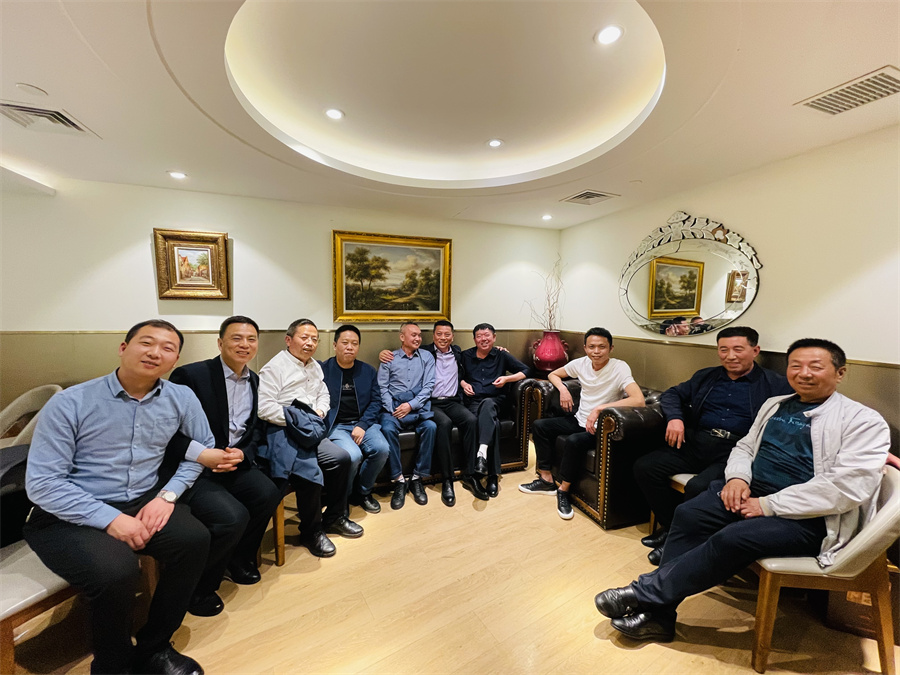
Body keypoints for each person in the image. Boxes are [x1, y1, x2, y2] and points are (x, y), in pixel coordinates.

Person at [594, 339, 890, 643]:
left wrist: (768, 504)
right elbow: (745, 447)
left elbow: (846, 488)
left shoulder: (863, 421)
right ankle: (660, 617)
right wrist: (737, 478)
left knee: (733, 536)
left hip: (809, 517)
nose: (804, 373)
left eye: (815, 367)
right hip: (750, 491)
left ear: (840, 373)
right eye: (796, 365)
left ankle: (644, 594)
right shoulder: (775, 404)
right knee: (690, 513)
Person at [24, 320, 217, 675]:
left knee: (194, 540)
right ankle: (112, 664)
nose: (155, 352)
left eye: (168, 348)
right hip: (68, 512)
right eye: (146, 343)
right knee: (117, 571)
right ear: (123, 348)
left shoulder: (181, 397)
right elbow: (43, 483)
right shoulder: (71, 402)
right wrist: (111, 519)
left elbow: (203, 450)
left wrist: (168, 495)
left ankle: (155, 647)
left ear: (175, 360)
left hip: (141, 500)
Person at [633, 326, 792, 565]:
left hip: (734, 451)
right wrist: (675, 418)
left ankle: (680, 542)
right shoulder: (706, 376)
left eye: (738, 349)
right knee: (645, 467)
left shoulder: (776, 384)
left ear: (755, 350)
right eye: (723, 350)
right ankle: (672, 528)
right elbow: (672, 394)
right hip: (697, 442)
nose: (730, 356)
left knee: (698, 487)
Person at [165, 316, 282, 617]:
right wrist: (204, 455)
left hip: (234, 462)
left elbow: (254, 431)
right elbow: (166, 432)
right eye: (236, 338)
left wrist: (242, 454)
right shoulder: (190, 376)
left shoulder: (256, 381)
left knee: (268, 493)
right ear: (220, 343)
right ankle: (199, 586)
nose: (245, 345)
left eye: (251, 339)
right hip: (196, 468)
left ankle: (238, 558)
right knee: (233, 516)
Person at [258, 318, 360, 558]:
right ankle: (311, 531)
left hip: (311, 428)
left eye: (314, 339)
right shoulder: (274, 368)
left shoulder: (314, 366)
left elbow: (323, 393)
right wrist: (297, 420)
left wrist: (321, 411)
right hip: (284, 431)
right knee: (310, 472)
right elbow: (264, 408)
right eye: (304, 337)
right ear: (288, 339)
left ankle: (334, 517)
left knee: (341, 458)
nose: (310, 343)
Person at [519, 327, 645, 519]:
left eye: (602, 347)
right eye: (592, 347)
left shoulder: (619, 368)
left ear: (611, 348)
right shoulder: (581, 363)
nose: (596, 351)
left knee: (573, 441)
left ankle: (563, 491)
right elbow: (553, 375)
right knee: (540, 426)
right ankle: (546, 479)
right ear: (585, 348)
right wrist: (563, 389)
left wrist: (600, 409)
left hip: (600, 428)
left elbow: (638, 400)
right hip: (579, 419)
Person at [379, 320, 488, 504]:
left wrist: (498, 349)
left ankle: (470, 475)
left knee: (470, 420)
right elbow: (384, 385)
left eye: (447, 334)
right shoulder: (422, 353)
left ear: (453, 336)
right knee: (442, 424)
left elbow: (478, 353)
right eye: (439, 334)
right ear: (433, 335)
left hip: (448, 401)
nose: (443, 338)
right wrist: (393, 408)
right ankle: (443, 479)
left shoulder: (455, 353)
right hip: (428, 403)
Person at [321, 325, 390, 514]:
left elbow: (376, 401)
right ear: (335, 345)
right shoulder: (323, 370)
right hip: (337, 425)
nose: (350, 347)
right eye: (345, 343)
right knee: (353, 456)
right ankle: (343, 497)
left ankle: (363, 492)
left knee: (382, 449)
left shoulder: (367, 370)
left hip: (363, 423)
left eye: (354, 343)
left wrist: (362, 424)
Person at [459, 323, 529, 497]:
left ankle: (481, 456)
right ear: (474, 339)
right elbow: (455, 374)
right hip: (473, 402)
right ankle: (492, 475)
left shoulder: (501, 355)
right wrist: (464, 383)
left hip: (496, 401)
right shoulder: (465, 355)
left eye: (487, 335)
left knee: (489, 404)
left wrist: (506, 379)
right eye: (479, 336)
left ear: (494, 337)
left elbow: (526, 370)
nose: (483, 339)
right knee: (493, 424)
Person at [377, 322, 437, 510]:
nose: (418, 338)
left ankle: (417, 478)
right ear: (402, 337)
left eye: (419, 335)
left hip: (417, 408)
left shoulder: (427, 357)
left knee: (431, 427)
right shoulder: (389, 357)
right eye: (413, 335)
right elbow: (382, 387)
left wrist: (410, 405)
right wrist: (394, 409)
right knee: (387, 429)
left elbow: (429, 386)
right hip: (394, 408)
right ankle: (399, 480)